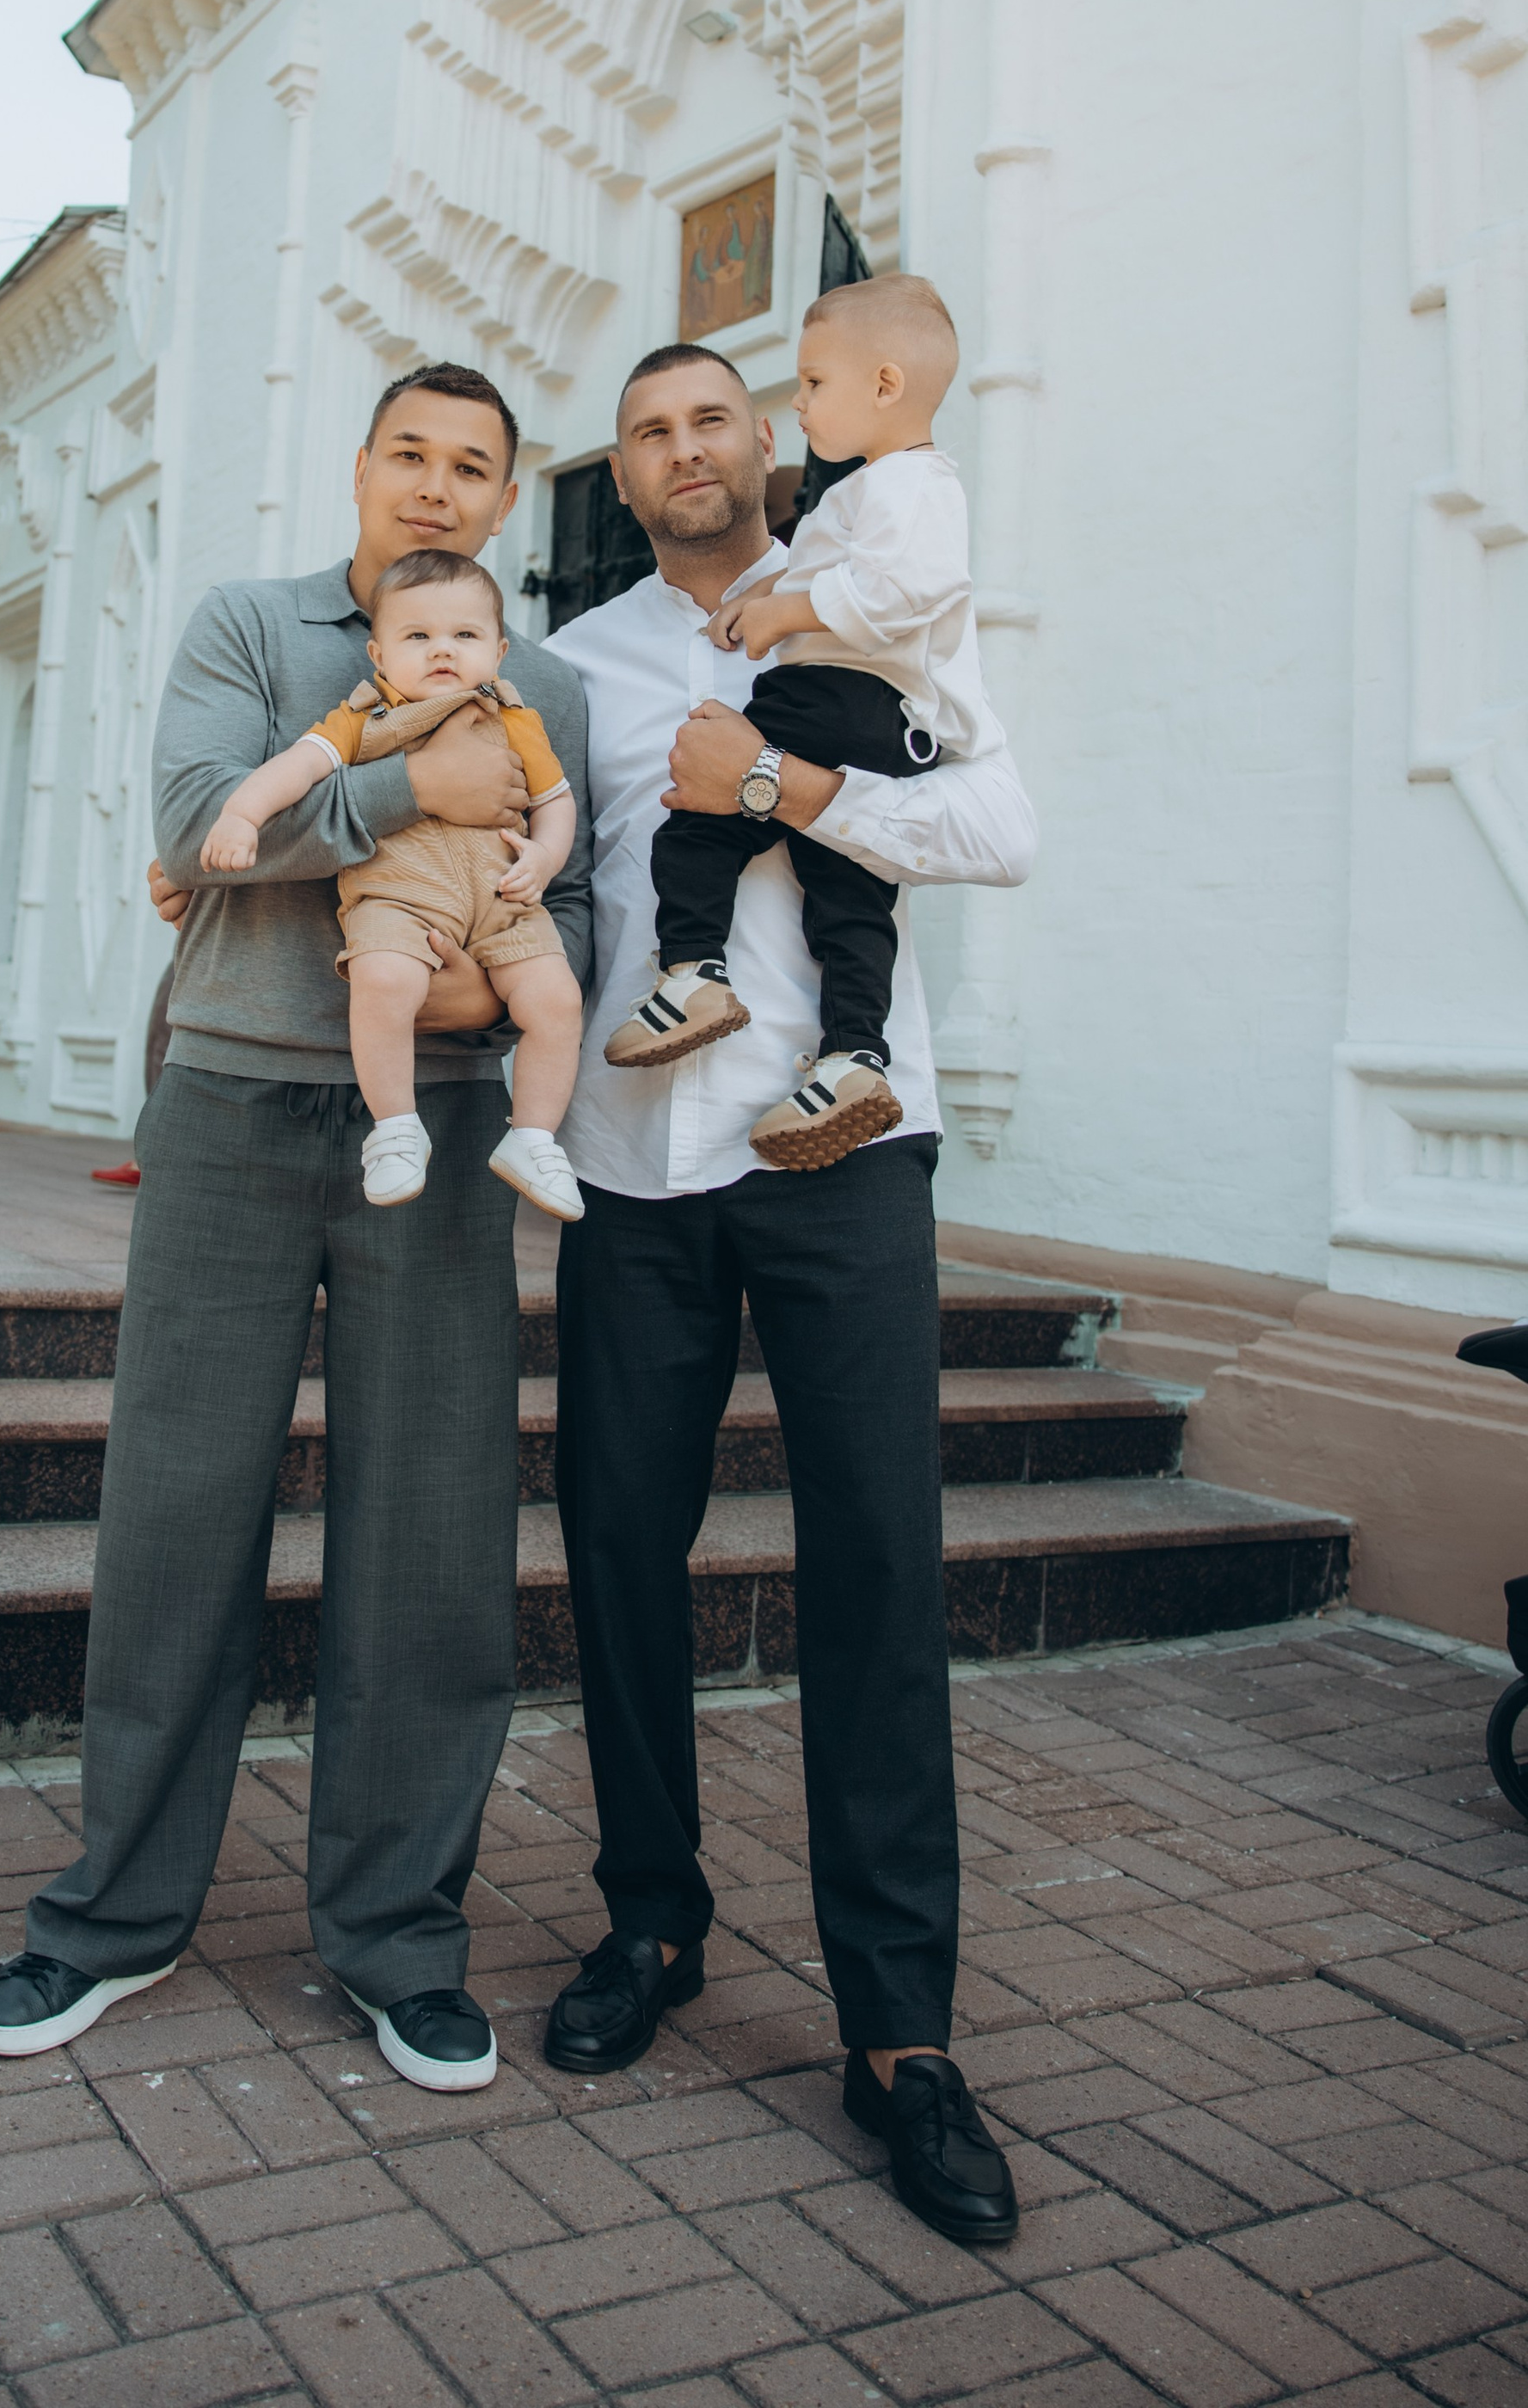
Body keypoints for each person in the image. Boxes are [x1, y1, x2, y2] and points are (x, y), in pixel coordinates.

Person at [0, 362, 590, 2093]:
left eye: (473, 467)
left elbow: (574, 907)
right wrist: (404, 804)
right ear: (364, 466)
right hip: (234, 1106)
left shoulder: (545, 689)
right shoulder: (250, 629)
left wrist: (421, 899)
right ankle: (109, 1921)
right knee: (175, 1515)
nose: (437, 489)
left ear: (504, 497)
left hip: (444, 1128)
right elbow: (190, 828)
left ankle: (398, 1941)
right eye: (410, 455)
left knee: (431, 1539)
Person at [540, 341, 1034, 2251]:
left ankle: (899, 2034)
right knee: (614, 1550)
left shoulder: (897, 598)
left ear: (770, 444)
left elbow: (994, 832)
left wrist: (785, 782)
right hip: (633, 1166)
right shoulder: (573, 666)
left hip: (845, 1157)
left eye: (713, 420)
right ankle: (650, 1915)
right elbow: (540, 892)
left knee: (875, 1572)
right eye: (649, 431)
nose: (684, 451)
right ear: (625, 470)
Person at [606, 276, 990, 1172]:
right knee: (852, 899)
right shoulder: (877, 491)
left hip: (830, 698)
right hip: (876, 722)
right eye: (652, 433)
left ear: (884, 387)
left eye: (813, 382)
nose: (804, 398)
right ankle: (854, 1055)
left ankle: (694, 974)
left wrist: (783, 611)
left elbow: (902, 594)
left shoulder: (905, 485)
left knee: (698, 823)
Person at [201, 548, 583, 1218]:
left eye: (464, 636)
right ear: (379, 656)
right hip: (400, 897)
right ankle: (397, 1129)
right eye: (418, 636)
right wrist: (241, 813)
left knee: (556, 1000)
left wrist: (545, 860)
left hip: (503, 896)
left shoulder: (516, 717)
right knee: (384, 982)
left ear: (497, 651)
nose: (443, 651)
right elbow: (297, 768)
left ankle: (532, 1137)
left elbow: (555, 799)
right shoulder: (364, 717)